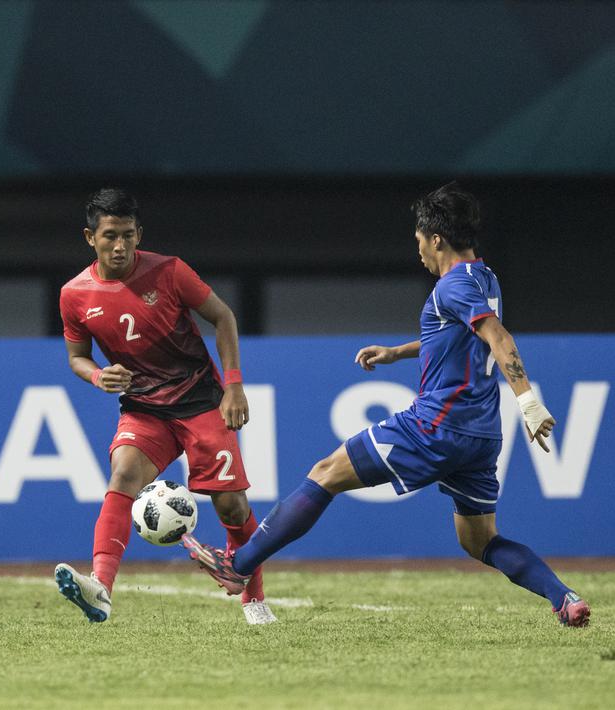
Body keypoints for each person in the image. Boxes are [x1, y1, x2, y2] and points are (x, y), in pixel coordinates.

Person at [183, 182, 590, 627]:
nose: (418, 250)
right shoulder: (483, 277)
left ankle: (239, 565)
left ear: (437, 239)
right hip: (480, 435)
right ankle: (564, 598)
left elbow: (498, 337)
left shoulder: (452, 285)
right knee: (479, 541)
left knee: (325, 474)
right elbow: (458, 335)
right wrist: (398, 352)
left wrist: (529, 403)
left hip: (436, 425)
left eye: (419, 240)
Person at [53, 188, 275, 625]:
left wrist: (233, 386)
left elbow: (223, 316)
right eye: (110, 236)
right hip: (144, 408)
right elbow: (77, 358)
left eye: (128, 236)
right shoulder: (74, 295)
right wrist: (98, 375)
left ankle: (254, 598)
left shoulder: (170, 272)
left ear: (140, 235)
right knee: (123, 474)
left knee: (232, 507)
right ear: (89, 238)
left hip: (200, 401)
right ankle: (100, 589)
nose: (120, 246)